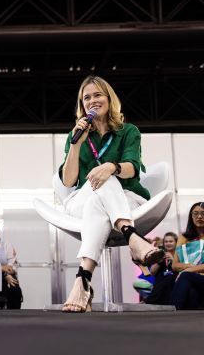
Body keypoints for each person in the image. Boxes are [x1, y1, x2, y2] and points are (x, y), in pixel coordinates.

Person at [58, 75, 163, 312]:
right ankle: (132, 237)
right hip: (81, 201)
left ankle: (82, 280)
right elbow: (68, 180)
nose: (92, 100)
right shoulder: (76, 135)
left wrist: (111, 167)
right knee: (98, 186)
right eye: (87, 98)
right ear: (82, 105)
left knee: (103, 185)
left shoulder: (128, 131)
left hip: (126, 197)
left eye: (97, 95)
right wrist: (76, 145)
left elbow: (132, 168)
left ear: (109, 99)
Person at [170, 203, 204, 310]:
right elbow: (174, 265)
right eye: (196, 214)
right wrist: (191, 268)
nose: (199, 217)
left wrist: (188, 271)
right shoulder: (183, 238)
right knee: (191, 292)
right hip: (188, 279)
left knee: (185, 277)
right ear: (191, 217)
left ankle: (171, 313)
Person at [144, 232, 178, 305]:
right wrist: (159, 261)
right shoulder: (160, 255)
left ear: (176, 243)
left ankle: (149, 301)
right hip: (160, 284)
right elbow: (152, 272)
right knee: (163, 279)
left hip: (174, 283)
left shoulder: (180, 255)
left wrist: (173, 260)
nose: (168, 243)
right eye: (166, 242)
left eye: (171, 241)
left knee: (169, 278)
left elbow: (182, 270)